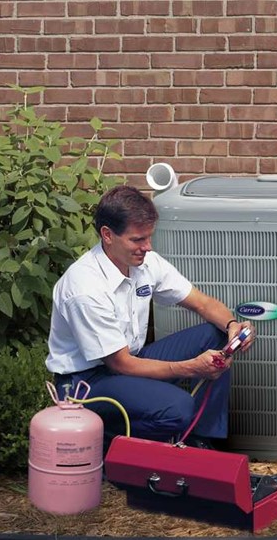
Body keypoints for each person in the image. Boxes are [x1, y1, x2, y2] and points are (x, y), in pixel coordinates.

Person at [46, 185, 255, 448]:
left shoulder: (146, 263)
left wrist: (233, 325)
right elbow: (119, 364)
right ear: (107, 235)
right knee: (178, 407)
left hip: (129, 361)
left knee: (217, 335)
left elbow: (202, 303)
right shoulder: (85, 288)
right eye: (137, 240)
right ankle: (108, 443)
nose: (147, 247)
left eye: (148, 237)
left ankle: (201, 443)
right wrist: (191, 367)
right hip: (87, 383)